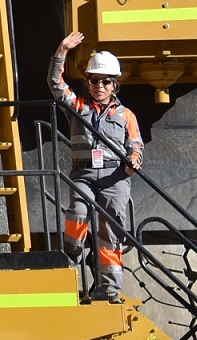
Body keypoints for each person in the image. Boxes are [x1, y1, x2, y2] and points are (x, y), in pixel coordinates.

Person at [49, 31, 142, 303]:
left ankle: (109, 288)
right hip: (84, 174)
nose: (99, 86)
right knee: (77, 212)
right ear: (88, 83)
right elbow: (55, 84)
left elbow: (135, 145)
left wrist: (134, 160)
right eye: (93, 81)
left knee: (110, 233)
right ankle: (71, 256)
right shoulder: (77, 106)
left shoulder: (126, 115)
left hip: (116, 178)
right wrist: (62, 50)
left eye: (105, 81)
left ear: (114, 85)